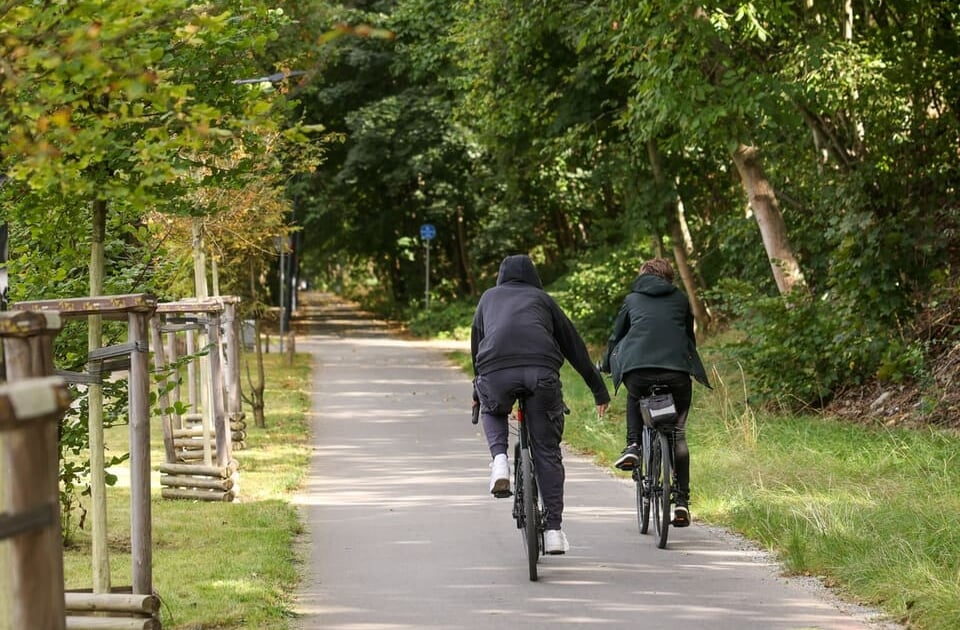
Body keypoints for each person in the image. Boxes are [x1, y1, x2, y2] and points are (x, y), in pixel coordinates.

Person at [471, 254, 610, 554]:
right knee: (547, 450)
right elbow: (575, 347)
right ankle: (554, 531)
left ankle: (499, 461)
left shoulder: (488, 298)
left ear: (500, 276)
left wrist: (477, 387)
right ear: (533, 276)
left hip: (496, 372)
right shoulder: (543, 300)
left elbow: (477, 347)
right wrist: (599, 390)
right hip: (541, 373)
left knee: (493, 408)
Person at [601, 257, 710, 527]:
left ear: (643, 275)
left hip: (638, 370)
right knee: (678, 435)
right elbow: (687, 337)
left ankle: (633, 446)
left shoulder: (632, 300)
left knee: (635, 395)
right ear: (669, 278)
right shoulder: (681, 299)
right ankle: (682, 502)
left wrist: (605, 364)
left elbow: (617, 336)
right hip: (676, 373)